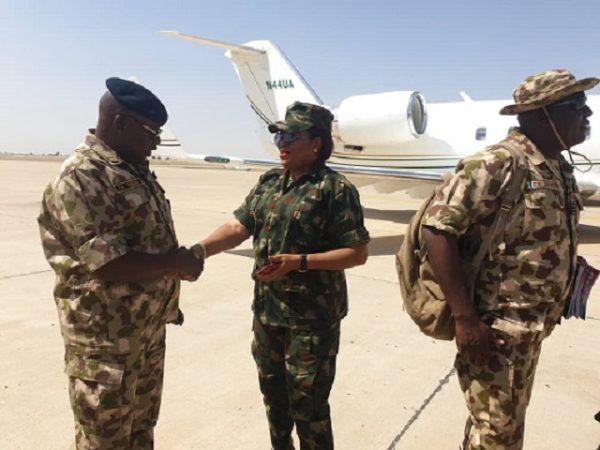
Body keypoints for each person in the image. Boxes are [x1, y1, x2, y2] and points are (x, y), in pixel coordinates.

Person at [421, 69, 598, 449]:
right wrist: (466, 319)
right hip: (495, 329)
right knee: (499, 437)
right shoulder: (497, 163)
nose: (588, 114)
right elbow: (436, 231)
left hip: (531, 327)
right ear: (542, 115)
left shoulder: (556, 166)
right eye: (576, 105)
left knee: (495, 429)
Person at [191, 102, 370, 450]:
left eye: (290, 137)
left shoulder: (334, 189)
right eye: (278, 137)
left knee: (309, 407)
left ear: (316, 143)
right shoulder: (270, 183)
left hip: (311, 321)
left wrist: (299, 262)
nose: (281, 144)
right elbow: (239, 226)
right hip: (268, 313)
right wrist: (198, 251)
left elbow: (356, 253)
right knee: (275, 400)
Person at [37, 77, 203, 449]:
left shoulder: (131, 170)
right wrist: (174, 263)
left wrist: (174, 266)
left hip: (143, 335)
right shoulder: (82, 177)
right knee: (105, 441)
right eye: (151, 132)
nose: (156, 142)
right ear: (120, 123)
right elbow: (108, 263)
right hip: (104, 344)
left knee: (141, 433)